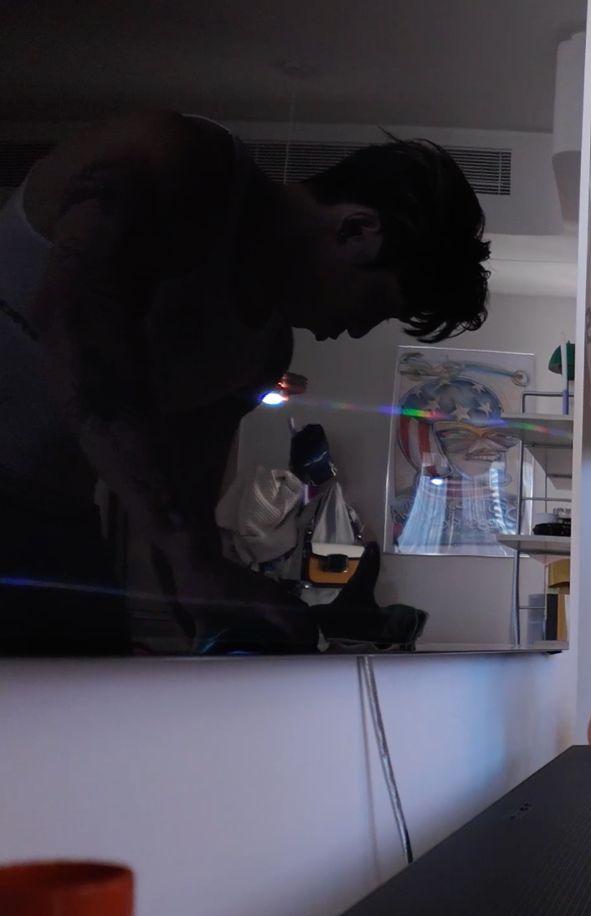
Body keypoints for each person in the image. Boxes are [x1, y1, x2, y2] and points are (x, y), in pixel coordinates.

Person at [0, 110, 490, 652]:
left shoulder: (261, 355)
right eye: (375, 305)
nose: (355, 329)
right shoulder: (181, 161)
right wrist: (195, 561)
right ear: (355, 229)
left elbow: (183, 515)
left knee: (95, 682)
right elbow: (77, 323)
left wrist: (231, 607)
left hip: (56, 516)